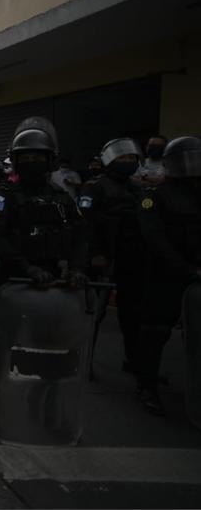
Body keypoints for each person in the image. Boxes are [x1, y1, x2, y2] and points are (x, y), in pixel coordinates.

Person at [0, 117, 88, 427]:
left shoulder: (62, 199)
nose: (32, 163)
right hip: (14, 278)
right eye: (25, 157)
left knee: (50, 342)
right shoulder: (4, 196)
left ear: (51, 160)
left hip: (53, 281)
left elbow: (80, 236)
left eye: (38, 157)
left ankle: (46, 401)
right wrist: (26, 267)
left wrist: (77, 268)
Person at [136, 136, 201, 415]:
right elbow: (156, 240)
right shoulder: (155, 197)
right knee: (155, 332)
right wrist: (187, 269)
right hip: (166, 275)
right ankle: (146, 385)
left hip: (196, 275)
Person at [78, 138, 145, 379]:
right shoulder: (94, 187)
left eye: (132, 158)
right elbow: (86, 223)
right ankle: (84, 360)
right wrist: (96, 253)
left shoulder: (137, 188)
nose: (128, 162)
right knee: (94, 313)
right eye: (123, 158)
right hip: (103, 258)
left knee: (133, 313)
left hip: (132, 257)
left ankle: (135, 360)